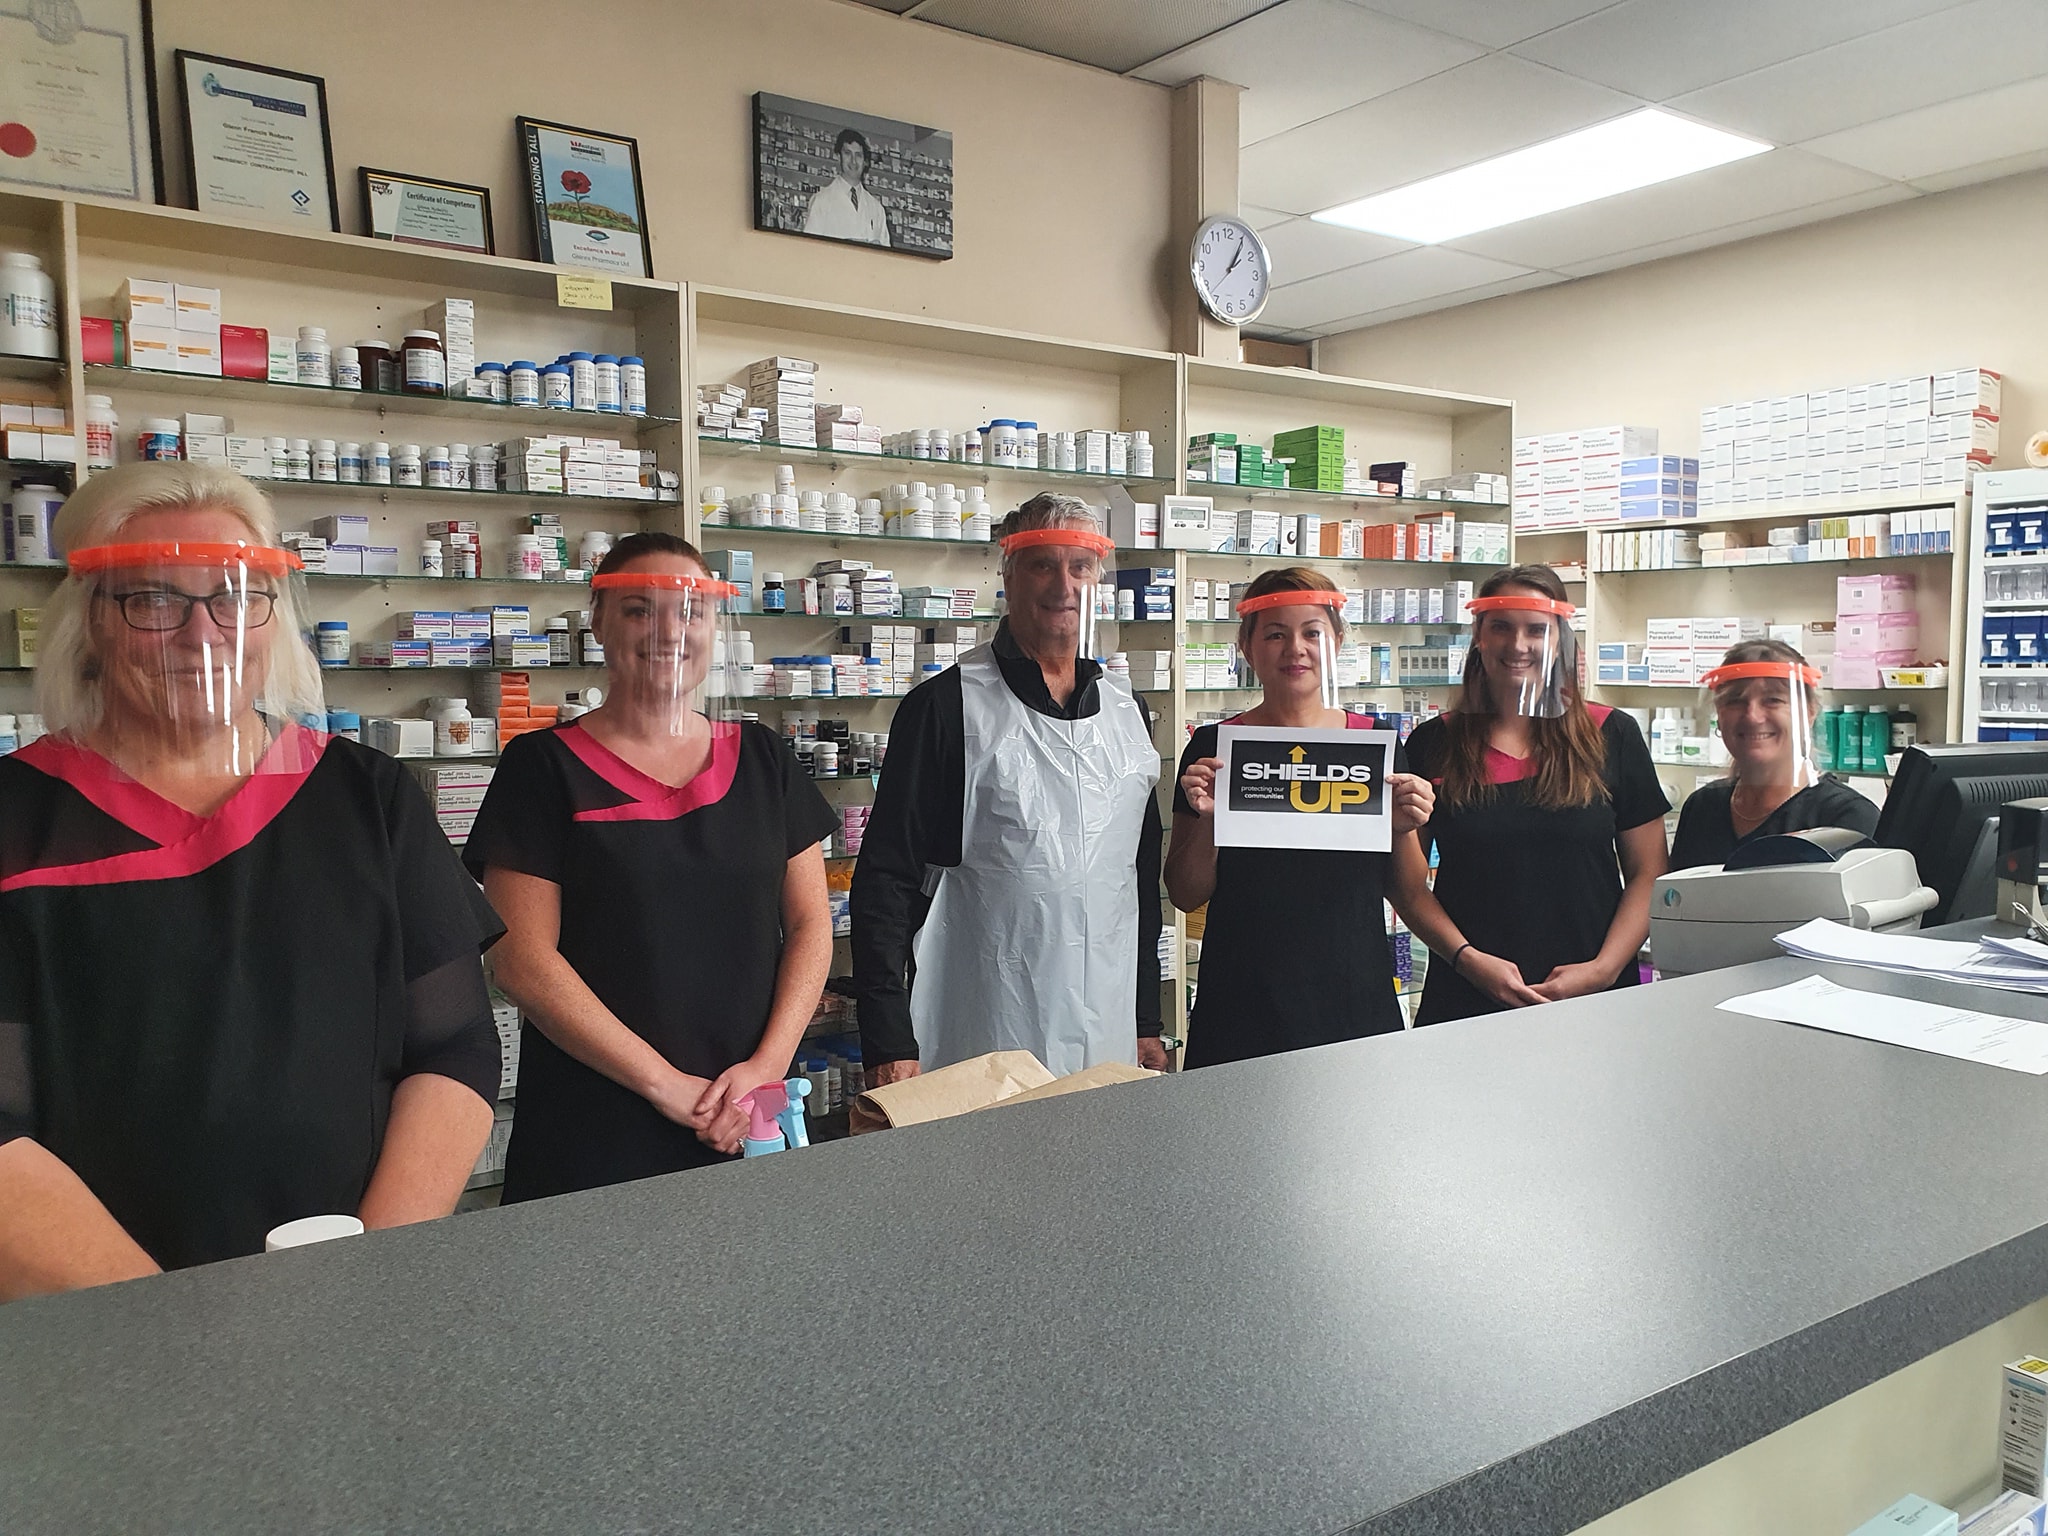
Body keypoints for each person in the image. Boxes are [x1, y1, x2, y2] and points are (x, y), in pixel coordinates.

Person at [0, 464, 501, 1298]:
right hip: (102, 1318)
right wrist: (166, 1325)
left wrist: (369, 1274)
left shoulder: (366, 798)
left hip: (350, 1290)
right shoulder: (17, 821)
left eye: (236, 597)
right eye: (153, 599)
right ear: (89, 619)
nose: (203, 636)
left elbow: (453, 1046)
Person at [465, 532, 835, 1202]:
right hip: (598, 1122)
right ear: (598, 623)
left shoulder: (763, 759)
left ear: (714, 628)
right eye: (639, 610)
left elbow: (811, 923)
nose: (669, 631)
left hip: (747, 1113)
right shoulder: (542, 768)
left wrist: (767, 1065)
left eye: (692, 612)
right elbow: (520, 960)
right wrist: (667, 1086)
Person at [853, 494, 1164, 1083]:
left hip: (1108, 1022)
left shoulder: (1128, 712)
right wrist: (887, 1036)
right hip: (983, 1017)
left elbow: (1139, 877)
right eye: (1043, 564)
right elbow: (886, 880)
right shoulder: (947, 706)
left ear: (1099, 580)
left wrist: (1145, 1017)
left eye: (1080, 566)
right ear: (1009, 574)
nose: (1064, 585)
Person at [1166, 568, 1435, 1067]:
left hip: (1352, 993)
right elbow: (1184, 893)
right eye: (1275, 634)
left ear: (1337, 643)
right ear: (1246, 648)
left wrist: (1405, 828)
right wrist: (1208, 819)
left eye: (1312, 633)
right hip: (1241, 1000)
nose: (1296, 649)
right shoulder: (1214, 746)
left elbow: (1408, 887)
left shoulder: (1373, 743)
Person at [1393, 565, 1670, 1024]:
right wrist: (1466, 959)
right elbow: (1405, 884)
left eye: (1536, 630)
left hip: (1595, 998)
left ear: (1559, 639)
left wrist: (1603, 969)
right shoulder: (1434, 742)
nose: (1518, 645)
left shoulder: (1611, 733)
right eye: (1501, 627)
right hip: (1467, 995)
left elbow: (1649, 872)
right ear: (1479, 636)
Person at [1668, 639, 1878, 870]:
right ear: (1719, 716)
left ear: (1809, 713)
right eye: (1736, 701)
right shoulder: (1702, 808)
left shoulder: (1848, 818)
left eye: (1773, 700)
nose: (1753, 716)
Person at [802, 127, 893, 247]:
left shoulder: (877, 208)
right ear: (838, 157)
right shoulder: (821, 201)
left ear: (865, 162)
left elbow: (885, 253)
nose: (853, 161)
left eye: (858, 155)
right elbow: (809, 248)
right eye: (847, 153)